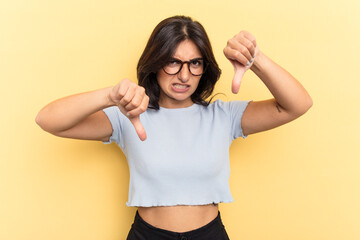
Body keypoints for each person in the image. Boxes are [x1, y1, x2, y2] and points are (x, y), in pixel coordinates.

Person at [36, 15, 312, 240]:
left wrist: (255, 60)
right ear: (155, 63)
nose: (184, 75)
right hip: (148, 235)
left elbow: (297, 104)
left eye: (195, 63)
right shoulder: (129, 116)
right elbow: (48, 120)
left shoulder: (223, 116)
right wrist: (109, 96)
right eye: (173, 62)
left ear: (205, 68)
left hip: (210, 235)